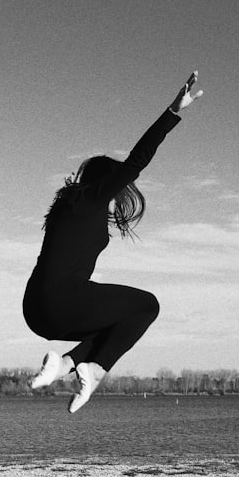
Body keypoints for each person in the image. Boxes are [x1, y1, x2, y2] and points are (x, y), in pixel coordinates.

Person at [23, 71, 203, 413]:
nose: (118, 197)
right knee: (147, 305)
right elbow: (138, 160)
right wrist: (173, 111)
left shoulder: (68, 207)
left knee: (118, 319)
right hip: (61, 302)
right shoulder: (90, 197)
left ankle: (64, 366)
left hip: (35, 310)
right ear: (105, 183)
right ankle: (94, 368)